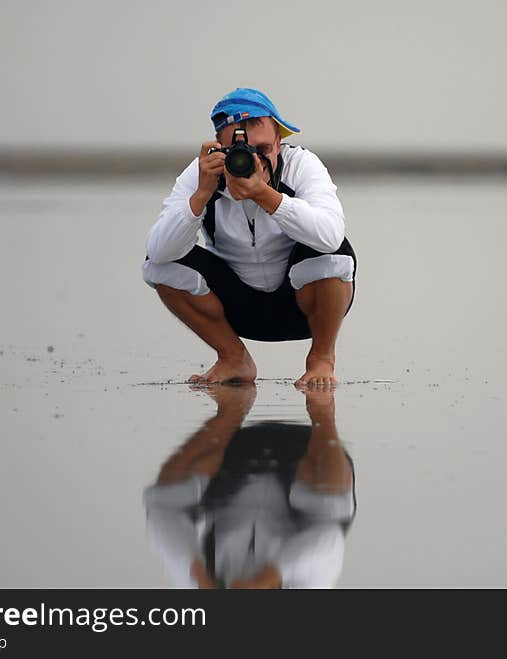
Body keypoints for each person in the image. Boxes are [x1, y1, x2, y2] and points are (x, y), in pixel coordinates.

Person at [142, 88, 357, 387]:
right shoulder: (203, 173)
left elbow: (331, 237)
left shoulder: (302, 165)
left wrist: (265, 195)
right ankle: (233, 358)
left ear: (280, 142)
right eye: (240, 152)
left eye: (264, 149)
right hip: (237, 309)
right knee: (157, 267)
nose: (254, 160)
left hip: (302, 304)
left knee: (336, 256)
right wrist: (202, 194)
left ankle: (321, 359)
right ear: (220, 149)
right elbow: (159, 252)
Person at [143, 384, 356, 589]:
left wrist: (198, 576)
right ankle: (323, 408)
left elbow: (161, 513)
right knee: (331, 508)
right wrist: (268, 578)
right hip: (304, 457)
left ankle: (229, 410)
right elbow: (329, 538)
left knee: (167, 499)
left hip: (234, 456)